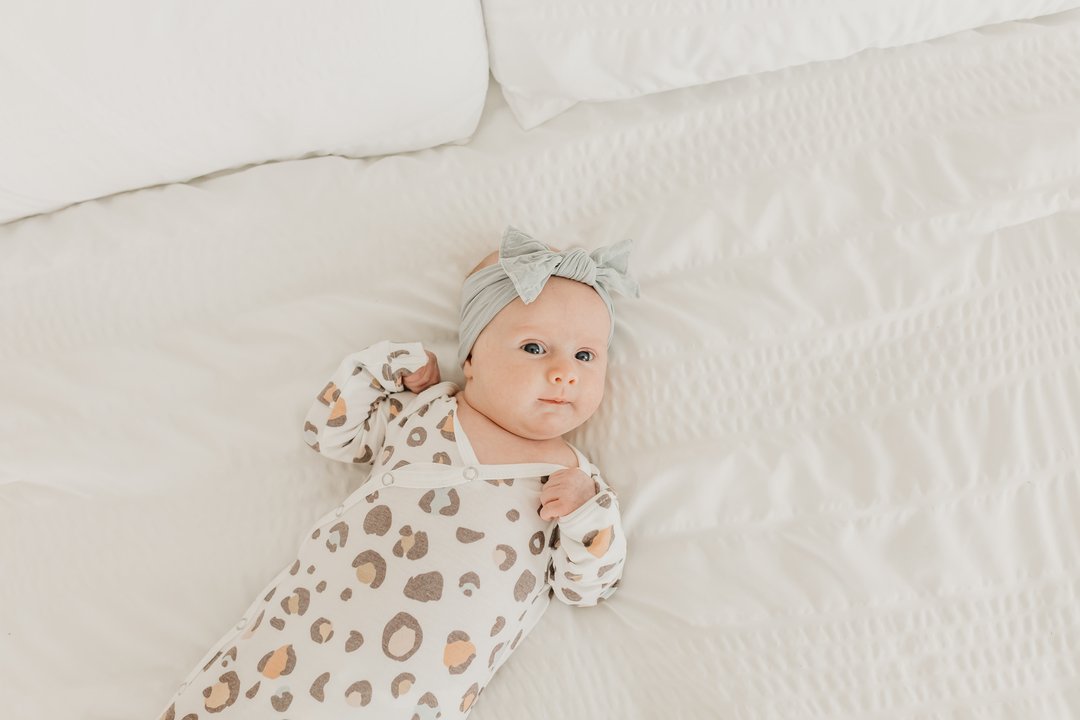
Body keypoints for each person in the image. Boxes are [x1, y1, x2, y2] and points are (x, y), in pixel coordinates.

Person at [155, 225, 640, 719]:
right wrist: (386, 368)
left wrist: (587, 516)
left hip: (408, 697)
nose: (564, 372)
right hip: (306, 637)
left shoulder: (574, 483)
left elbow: (586, 587)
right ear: (471, 357)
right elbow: (329, 432)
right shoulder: (424, 411)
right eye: (534, 348)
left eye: (585, 356)